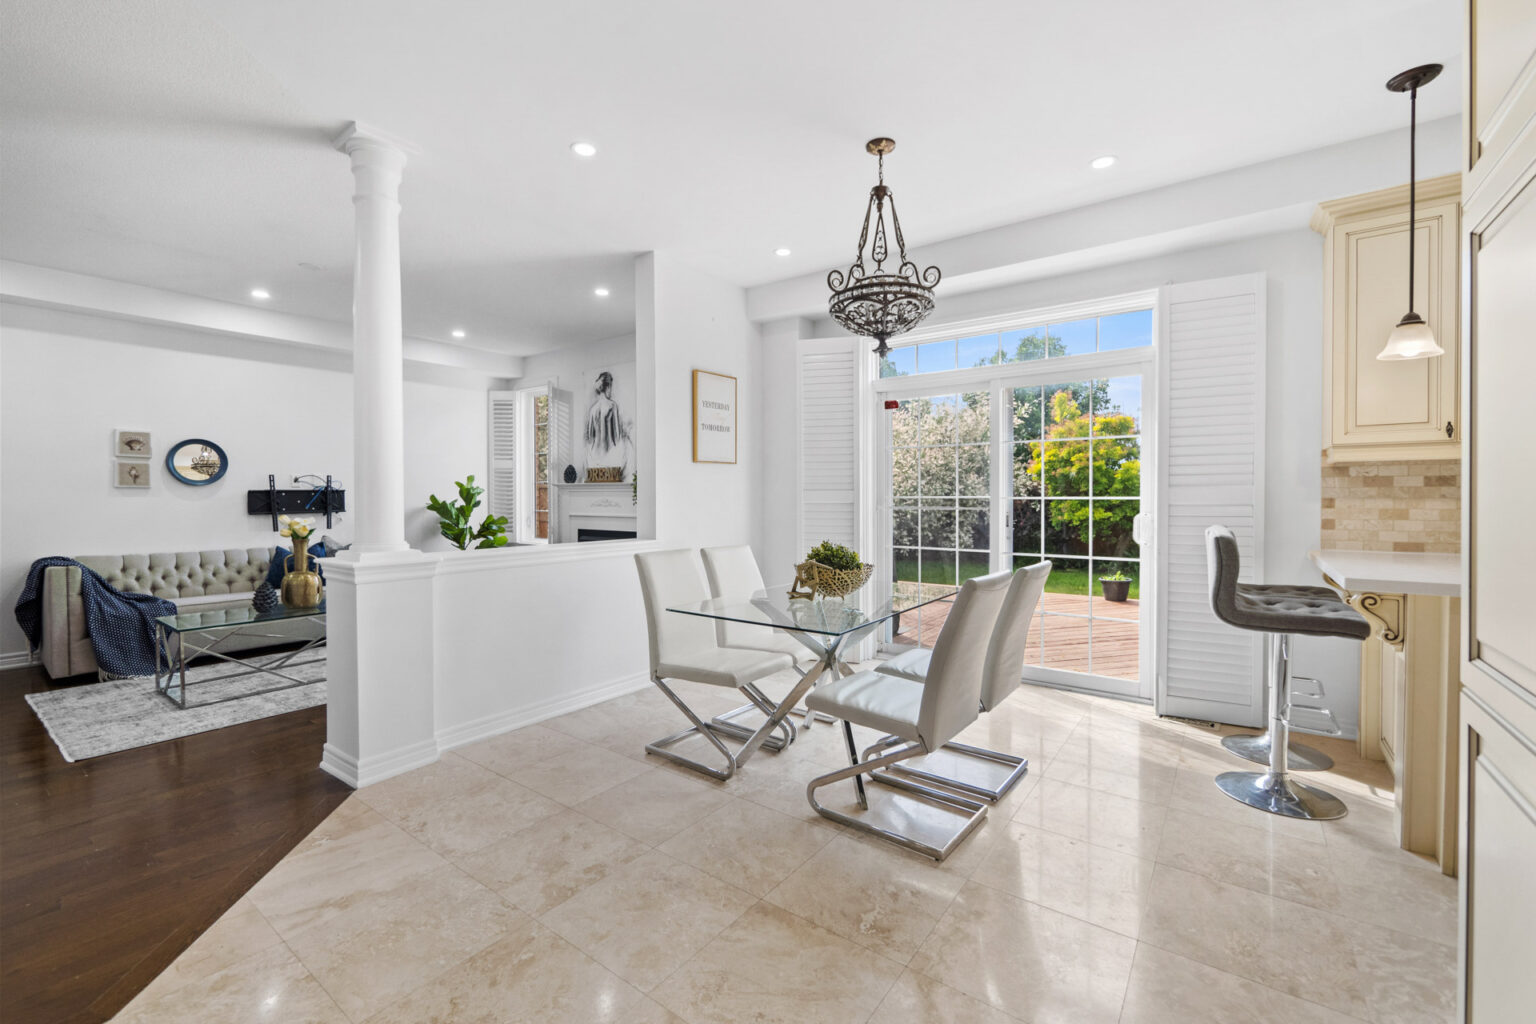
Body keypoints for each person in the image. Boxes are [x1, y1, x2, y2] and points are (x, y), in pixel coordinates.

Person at [584, 370, 634, 479]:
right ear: (608, 387)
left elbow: (589, 438)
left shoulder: (593, 410)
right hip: (609, 458)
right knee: (629, 447)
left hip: (594, 460)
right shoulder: (612, 406)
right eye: (611, 387)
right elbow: (617, 436)